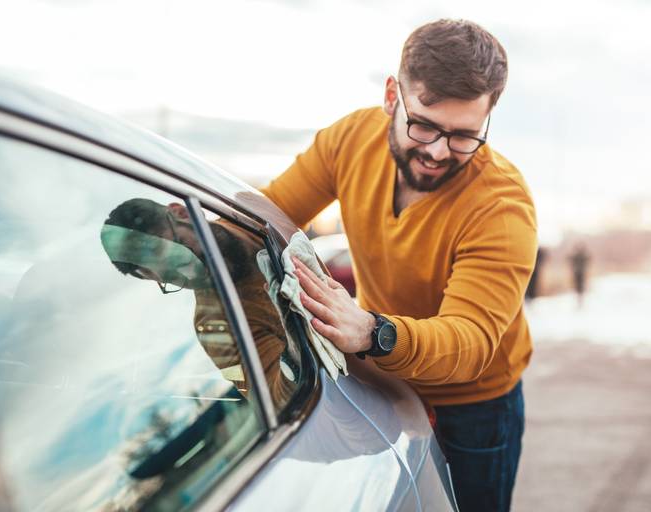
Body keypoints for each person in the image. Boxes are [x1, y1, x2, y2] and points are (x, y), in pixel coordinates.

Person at [261, 19, 537, 511]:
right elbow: (271, 213)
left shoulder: (502, 206)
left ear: (488, 119)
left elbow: (469, 341)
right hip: (385, 378)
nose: (436, 151)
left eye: (463, 136)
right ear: (393, 94)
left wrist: (372, 332)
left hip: (475, 403)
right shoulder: (349, 140)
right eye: (424, 124)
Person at [99, 198, 297, 408]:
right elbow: (277, 400)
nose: (194, 274)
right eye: (173, 278)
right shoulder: (216, 327)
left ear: (183, 213)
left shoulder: (252, 213)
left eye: (183, 254)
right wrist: (295, 343)